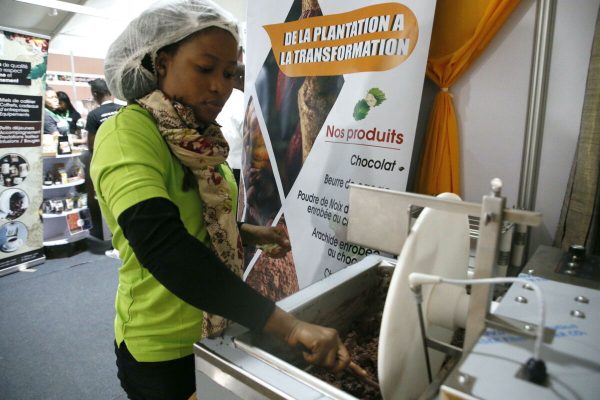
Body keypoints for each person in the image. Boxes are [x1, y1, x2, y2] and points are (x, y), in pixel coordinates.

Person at [93, 1, 352, 399]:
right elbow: (163, 246)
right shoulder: (128, 133)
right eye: (205, 68)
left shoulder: (201, 139)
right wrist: (288, 326)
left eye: (230, 73)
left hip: (219, 330)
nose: (221, 85)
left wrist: (244, 233)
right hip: (163, 348)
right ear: (161, 63)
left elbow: (196, 219)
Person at [85, 78, 121, 153]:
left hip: (106, 156)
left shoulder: (93, 115)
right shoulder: (122, 109)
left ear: (94, 94)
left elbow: (92, 145)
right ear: (109, 92)